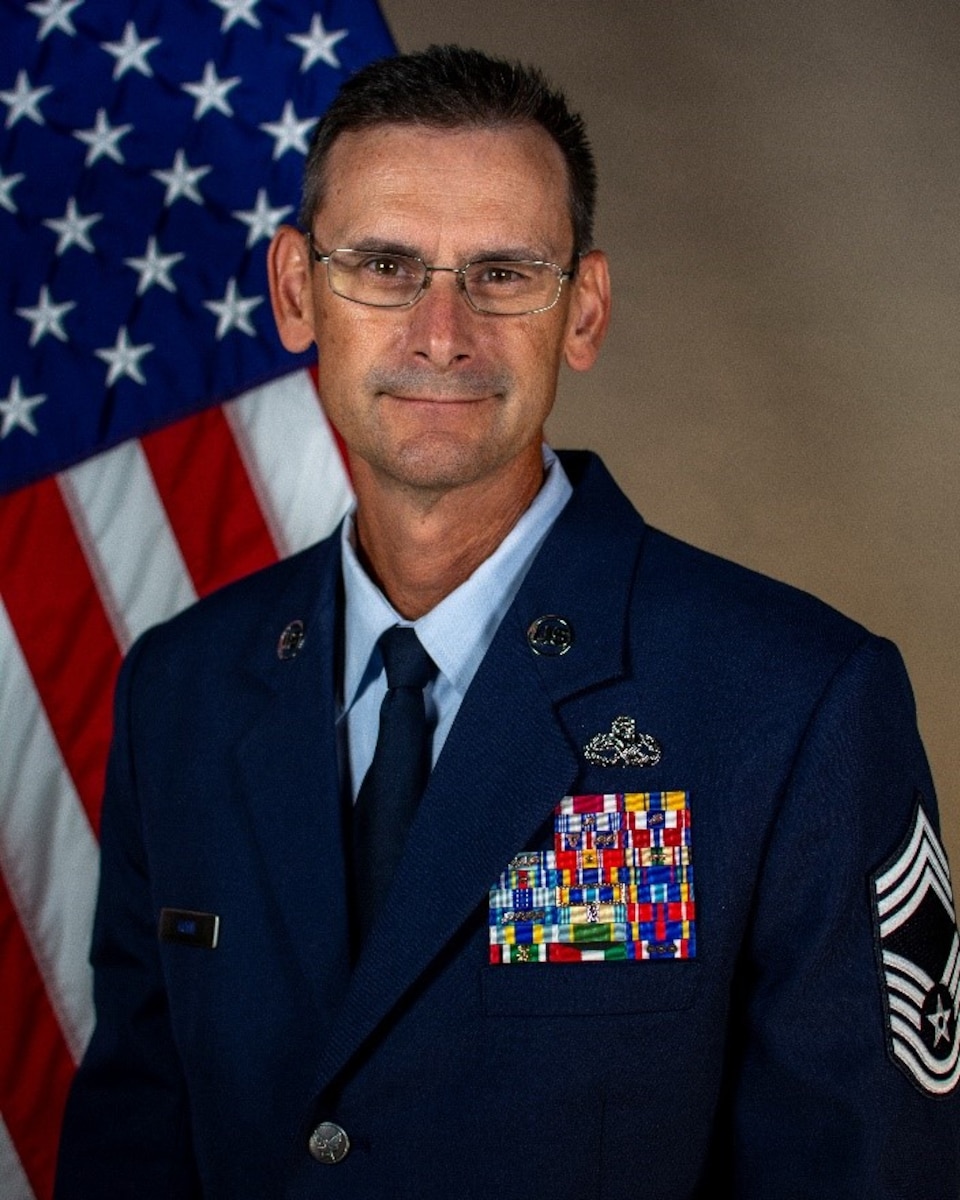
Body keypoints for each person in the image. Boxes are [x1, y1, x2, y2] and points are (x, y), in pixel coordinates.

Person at [55, 44, 960, 1199]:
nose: (443, 333)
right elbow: (136, 1141)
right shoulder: (182, 688)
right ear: (296, 293)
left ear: (582, 311)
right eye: (384, 265)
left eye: (502, 272)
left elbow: (866, 1172)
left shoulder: (795, 703)